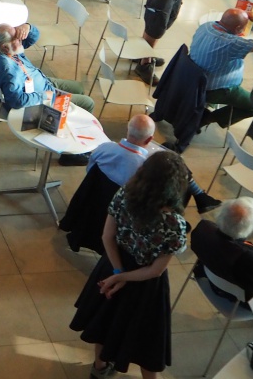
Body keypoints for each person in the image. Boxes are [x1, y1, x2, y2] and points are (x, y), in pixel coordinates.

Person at [70, 151, 190, 379]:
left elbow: (107, 236)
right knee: (147, 344)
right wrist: (122, 278)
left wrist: (117, 272)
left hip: (113, 263)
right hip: (144, 285)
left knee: (104, 322)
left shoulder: (125, 193)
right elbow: (155, 270)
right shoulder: (174, 224)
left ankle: (99, 368)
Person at [0, 22, 96, 151]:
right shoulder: (8, 69)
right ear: (4, 47)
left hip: (43, 83)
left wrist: (27, 27)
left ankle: (68, 122)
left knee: (79, 88)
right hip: (39, 102)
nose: (21, 41)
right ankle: (74, 148)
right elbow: (17, 101)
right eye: (17, 39)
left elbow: (33, 38)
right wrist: (44, 95)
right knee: (88, 103)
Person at [87, 114, 221, 213]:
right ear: (149, 139)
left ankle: (200, 196)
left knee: (169, 149)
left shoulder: (103, 148)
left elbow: (89, 172)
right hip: (131, 210)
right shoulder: (149, 169)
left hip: (96, 199)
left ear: (128, 130)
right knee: (175, 170)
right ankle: (189, 204)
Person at [189, 7, 253, 129]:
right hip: (216, 90)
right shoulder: (232, 43)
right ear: (238, 28)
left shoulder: (206, 26)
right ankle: (207, 118)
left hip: (192, 79)